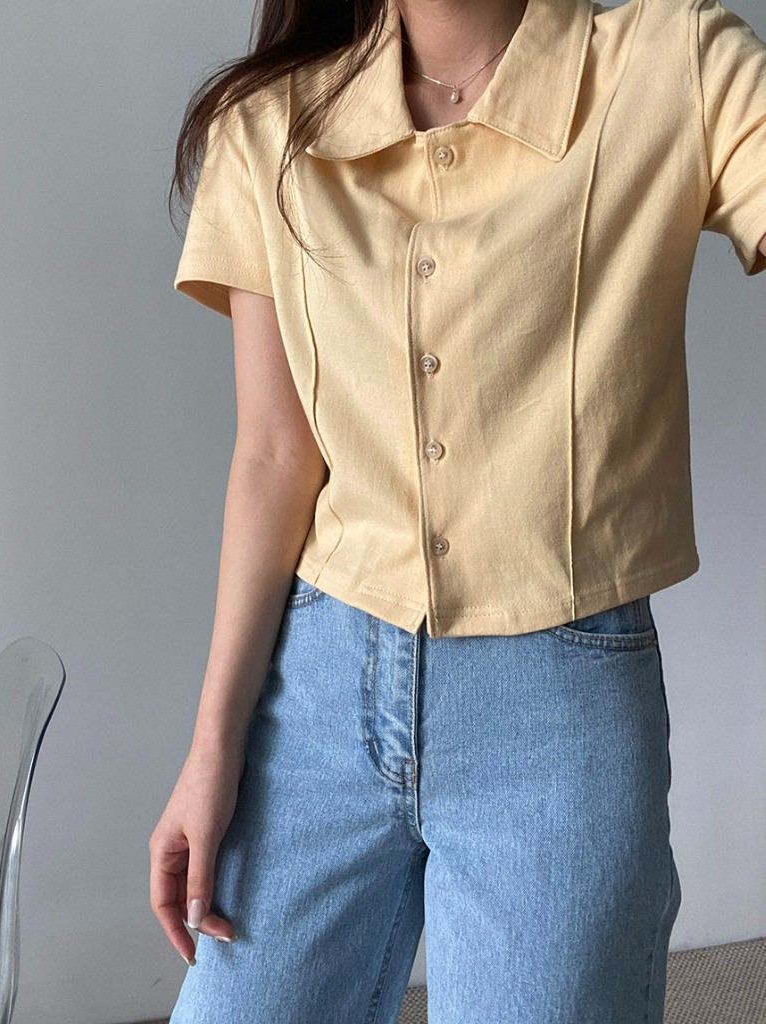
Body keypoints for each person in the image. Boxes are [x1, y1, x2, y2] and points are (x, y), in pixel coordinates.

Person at [150, 0, 766, 1020]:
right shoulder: (268, 125)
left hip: (558, 708)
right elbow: (272, 455)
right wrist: (209, 750)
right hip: (313, 694)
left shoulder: (677, 63)